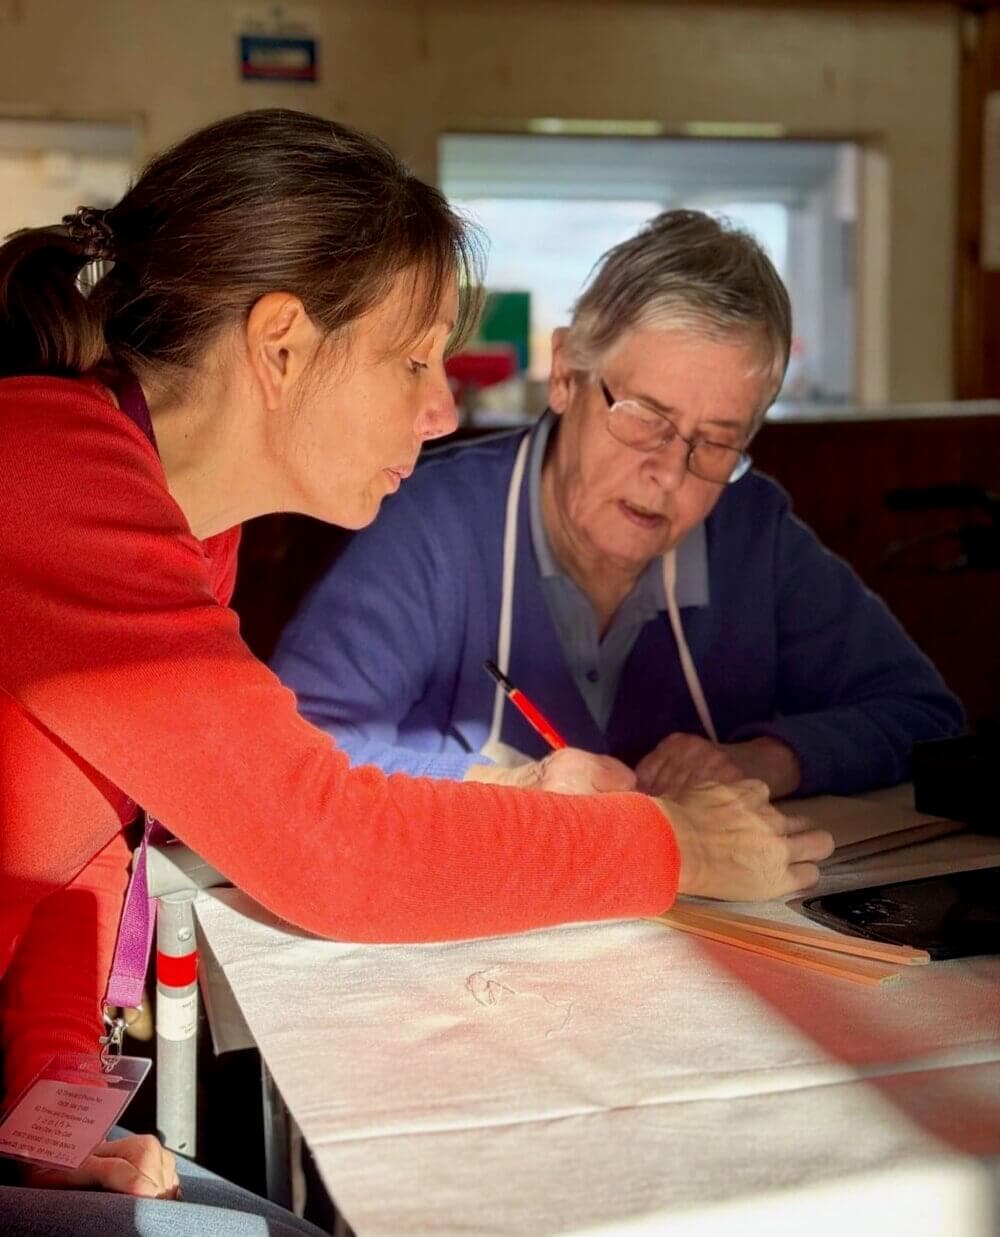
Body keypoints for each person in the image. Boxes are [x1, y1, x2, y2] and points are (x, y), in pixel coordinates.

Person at [0, 113, 832, 1233]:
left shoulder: (181, 516)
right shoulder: (50, 473)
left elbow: (76, 865)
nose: (441, 408)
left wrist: (47, 1122)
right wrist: (675, 846)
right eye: (412, 358)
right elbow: (328, 848)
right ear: (282, 344)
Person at [272, 211, 963, 800]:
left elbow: (924, 714)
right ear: (569, 373)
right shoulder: (436, 527)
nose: (668, 471)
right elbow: (294, 756)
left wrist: (765, 760)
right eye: (643, 417)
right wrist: (518, 791)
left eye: (717, 442)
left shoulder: (751, 531)